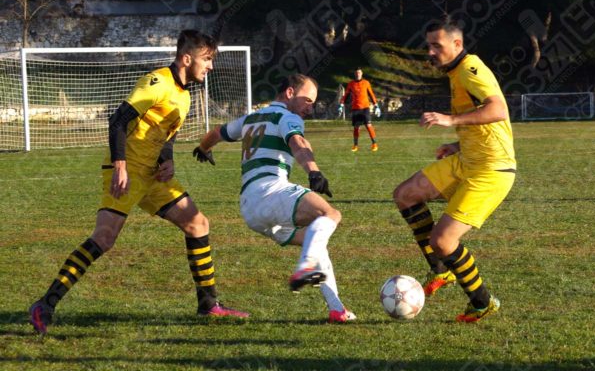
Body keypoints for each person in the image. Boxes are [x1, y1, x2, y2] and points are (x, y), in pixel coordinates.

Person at [29, 30, 249, 335]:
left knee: (198, 224)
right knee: (104, 238)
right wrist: (120, 165)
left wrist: (167, 160)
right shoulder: (156, 82)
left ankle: (209, 305)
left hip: (153, 175)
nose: (211, 66)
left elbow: (166, 135)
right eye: (207, 59)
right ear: (187, 59)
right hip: (128, 170)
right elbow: (118, 120)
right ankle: (44, 305)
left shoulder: (185, 95)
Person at [193, 74, 356, 323]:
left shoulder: (251, 118)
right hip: (271, 191)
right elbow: (297, 142)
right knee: (330, 215)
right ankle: (306, 266)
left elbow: (217, 132)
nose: (310, 107)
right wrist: (314, 172)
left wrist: (203, 148)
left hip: (250, 207)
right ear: (290, 93)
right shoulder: (287, 117)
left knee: (315, 238)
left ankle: (337, 309)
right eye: (308, 100)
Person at [392, 18, 516, 323]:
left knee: (443, 241)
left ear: (457, 44)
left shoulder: (470, 69)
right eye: (428, 46)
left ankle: (482, 302)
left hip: (491, 170)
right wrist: (457, 144)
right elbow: (484, 124)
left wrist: (450, 120)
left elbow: (498, 109)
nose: (430, 52)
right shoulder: (456, 72)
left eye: (437, 45)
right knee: (405, 195)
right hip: (467, 160)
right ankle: (440, 271)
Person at [339, 67, 380, 152]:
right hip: (356, 108)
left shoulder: (366, 83)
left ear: (362, 74)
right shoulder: (351, 84)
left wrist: (376, 105)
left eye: (359, 73)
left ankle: (374, 144)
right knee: (356, 127)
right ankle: (355, 146)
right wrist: (341, 104)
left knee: (368, 125)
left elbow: (371, 94)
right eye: (356, 73)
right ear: (355, 74)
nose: (358, 74)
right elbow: (346, 95)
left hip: (365, 108)